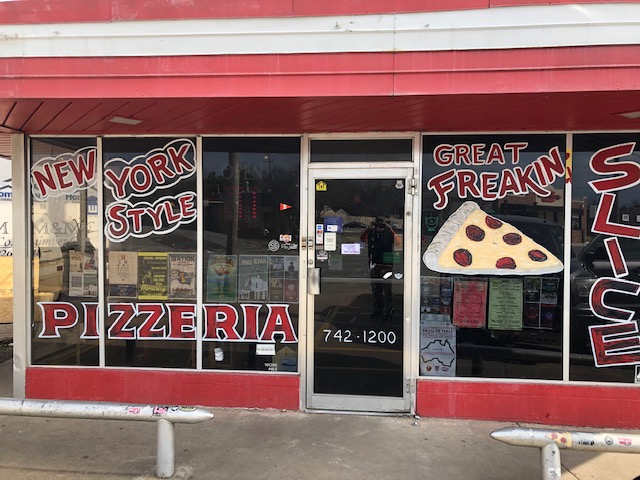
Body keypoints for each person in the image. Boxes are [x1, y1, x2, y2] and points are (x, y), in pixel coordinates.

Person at [363, 216, 395, 319]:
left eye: (381, 224)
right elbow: (363, 239)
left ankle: (388, 310)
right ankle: (378, 309)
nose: (379, 226)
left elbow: (398, 241)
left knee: (387, 289)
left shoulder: (389, 232)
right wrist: (368, 229)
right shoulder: (372, 232)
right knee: (376, 289)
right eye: (377, 223)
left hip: (386, 264)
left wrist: (389, 228)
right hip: (375, 264)